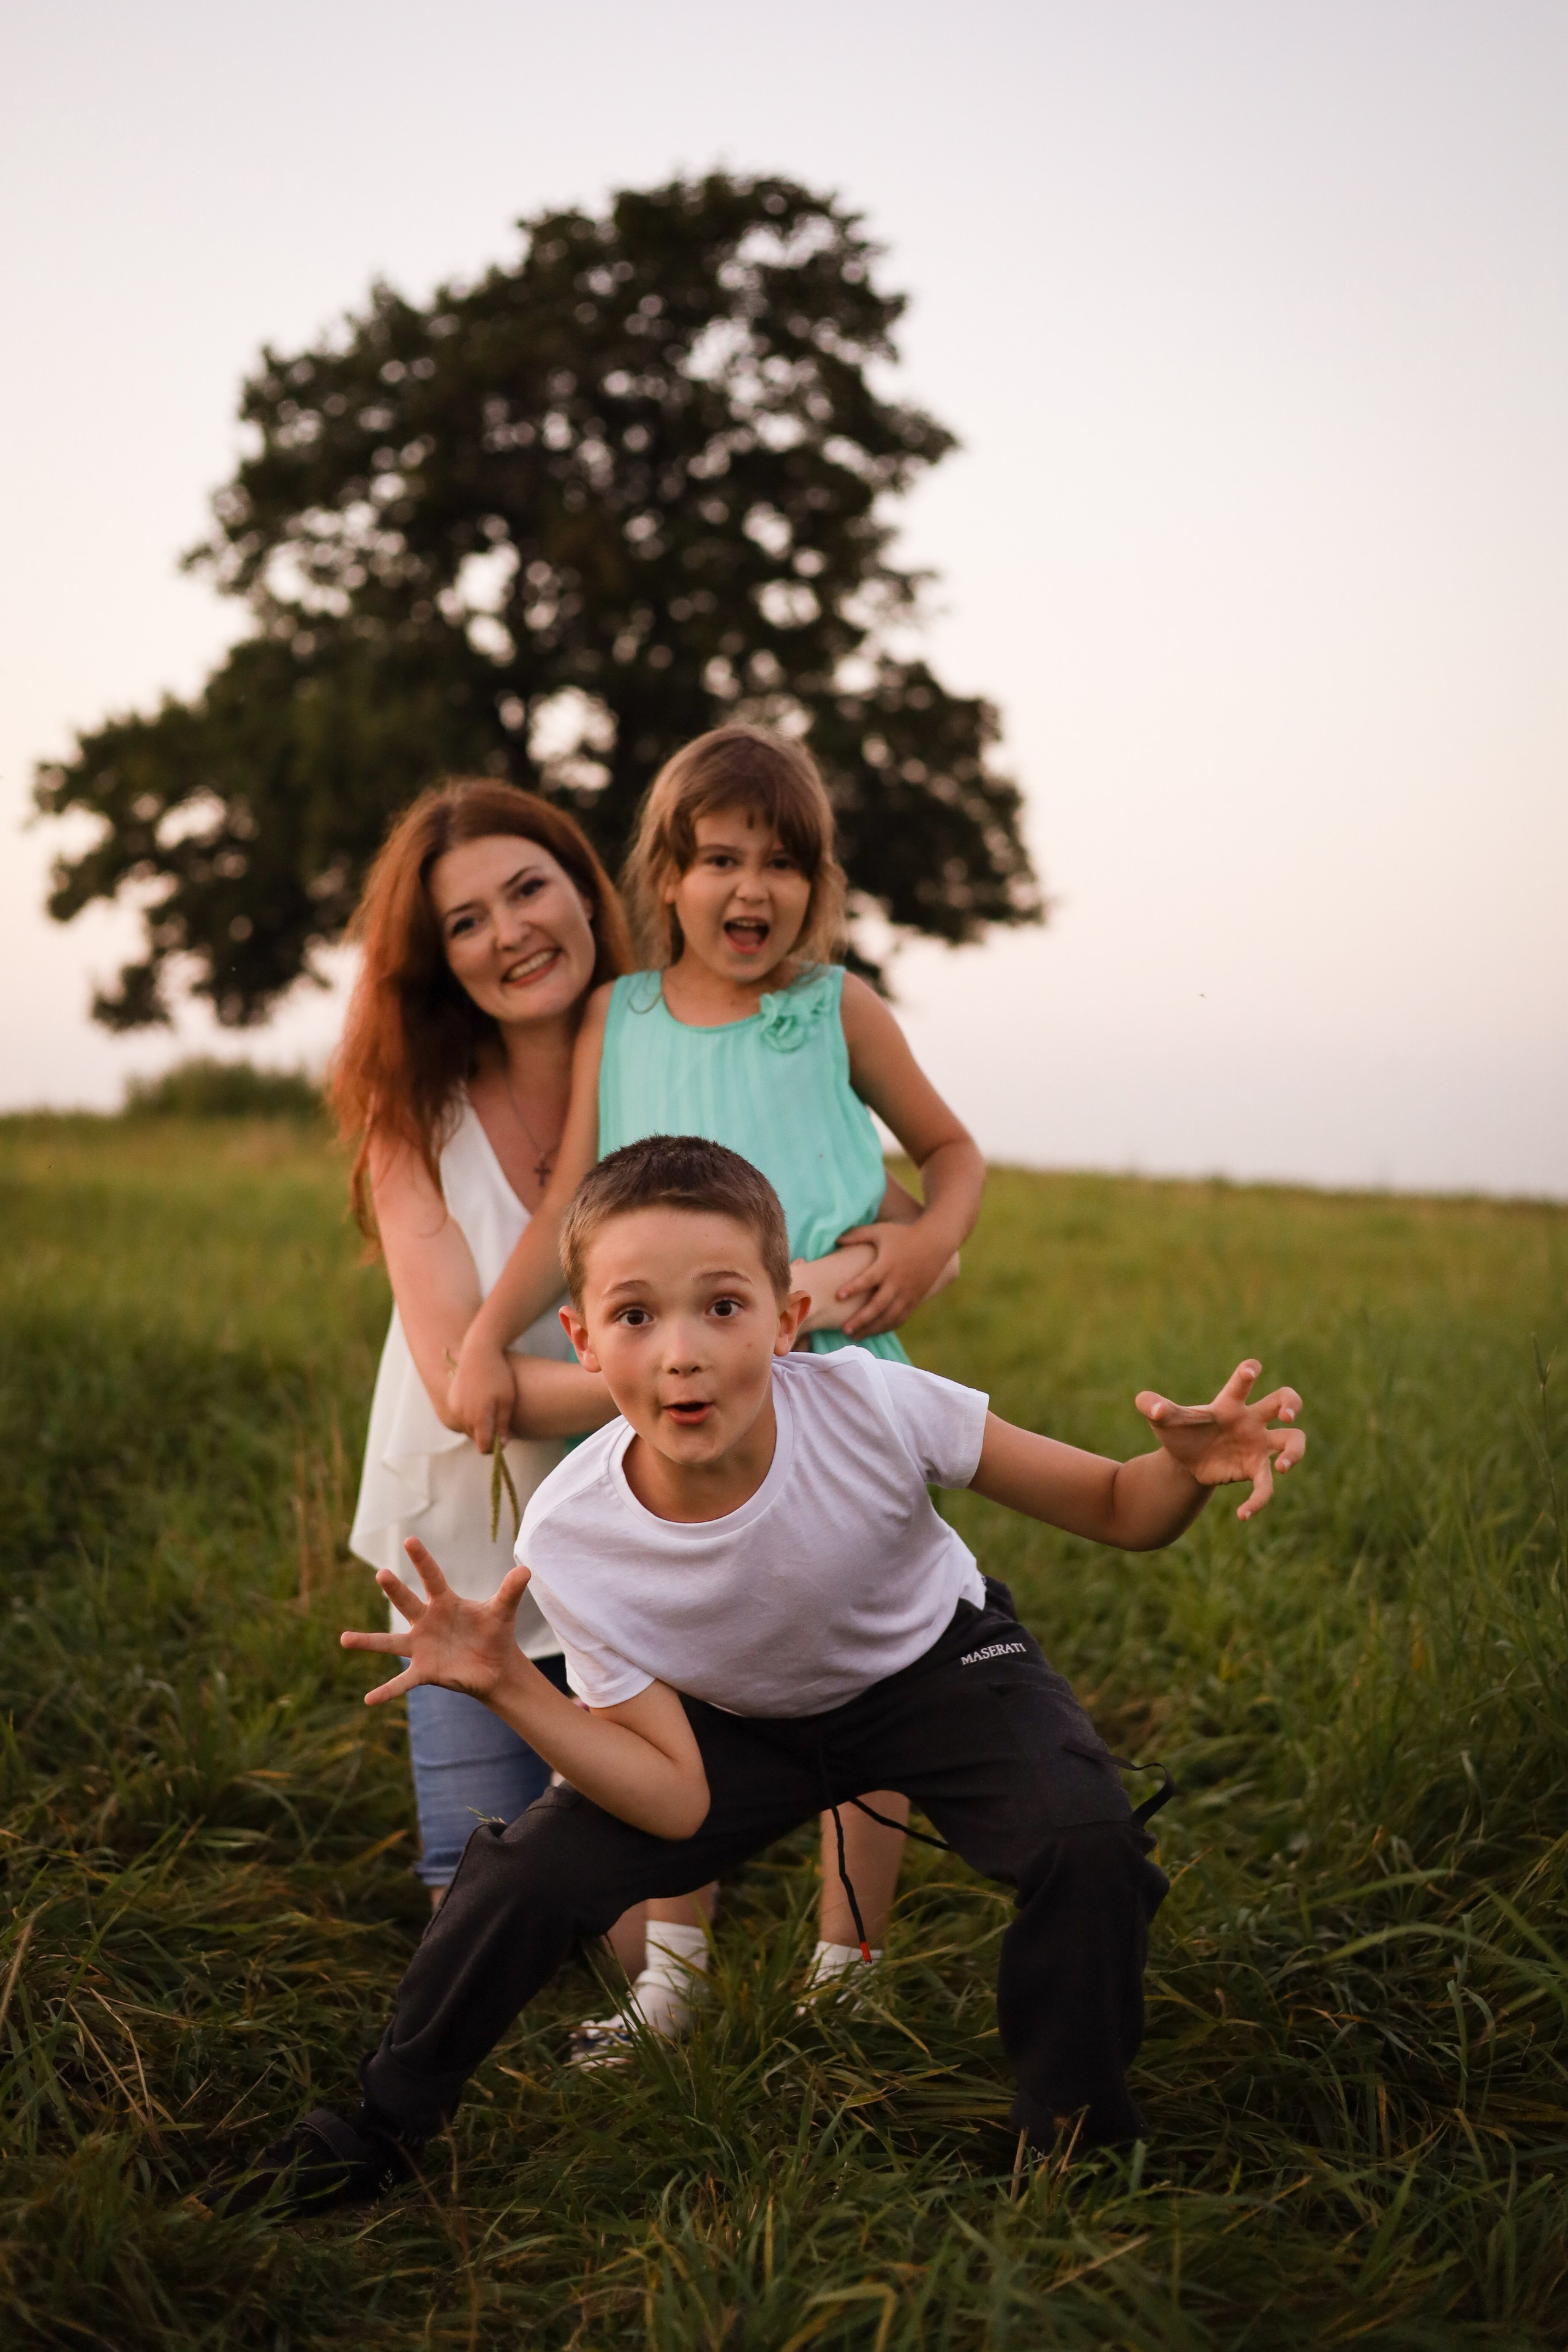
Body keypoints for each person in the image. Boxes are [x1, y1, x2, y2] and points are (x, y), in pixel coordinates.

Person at [226, 1134, 1306, 2215]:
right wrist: (514, 1683)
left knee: (1088, 1840)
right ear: (583, 1340)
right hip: (730, 1718)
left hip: (935, 1668)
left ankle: (1076, 2154)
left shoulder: (877, 1405)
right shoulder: (571, 1532)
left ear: (789, 1318)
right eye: (637, 1315)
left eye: (724, 1306)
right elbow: (675, 1798)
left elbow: (1121, 1510)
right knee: (521, 1872)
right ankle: (381, 2124)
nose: (682, 1353)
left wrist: (1181, 1470)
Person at [447, 726, 986, 2044]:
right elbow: (576, 1194)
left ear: (816, 880)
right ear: (666, 876)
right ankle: (670, 1978)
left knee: (869, 1663)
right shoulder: (615, 1019)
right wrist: (482, 1337)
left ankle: (845, 1974)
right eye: (719, 861)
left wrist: (921, 1240)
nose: (751, 892)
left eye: (781, 864)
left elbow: (950, 1149)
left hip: (838, 1386)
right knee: (674, 1667)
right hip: (684, 1401)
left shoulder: (832, 1010)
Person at [334, 778, 625, 1909]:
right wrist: (692, 1381)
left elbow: (867, 1202)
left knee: (624, 1897)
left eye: (528, 889)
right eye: (465, 921)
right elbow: (465, 1382)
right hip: (463, 1547)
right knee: (472, 1891)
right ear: (437, 958)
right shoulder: (411, 1116)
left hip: (634, 1537)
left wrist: (917, 1241)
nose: (509, 933)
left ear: (585, 895)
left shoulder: (669, 1066)